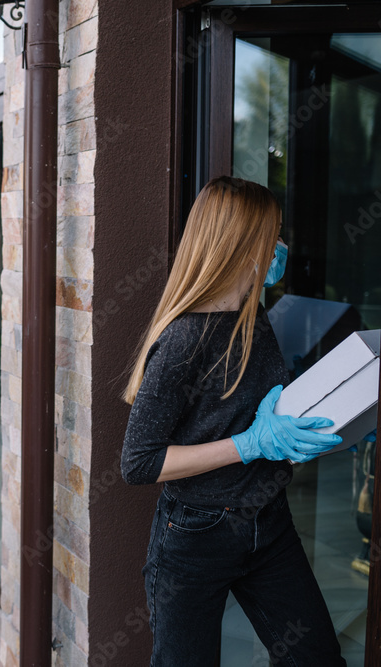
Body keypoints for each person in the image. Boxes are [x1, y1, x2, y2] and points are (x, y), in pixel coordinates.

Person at [121, 176, 346, 666]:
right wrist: (250, 444)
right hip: (196, 533)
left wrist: (307, 429)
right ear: (242, 244)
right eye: (274, 235)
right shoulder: (183, 342)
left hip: (269, 521)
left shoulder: (252, 315)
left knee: (317, 658)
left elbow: (247, 407)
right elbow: (139, 462)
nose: (281, 248)